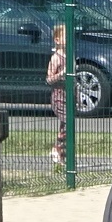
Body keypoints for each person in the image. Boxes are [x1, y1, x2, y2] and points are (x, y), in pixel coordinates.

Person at [46, 24, 67, 164]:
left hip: (68, 95)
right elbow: (49, 79)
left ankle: (63, 153)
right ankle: (57, 147)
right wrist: (61, 74)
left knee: (66, 125)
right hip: (58, 96)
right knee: (67, 123)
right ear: (58, 40)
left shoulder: (69, 56)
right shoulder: (56, 58)